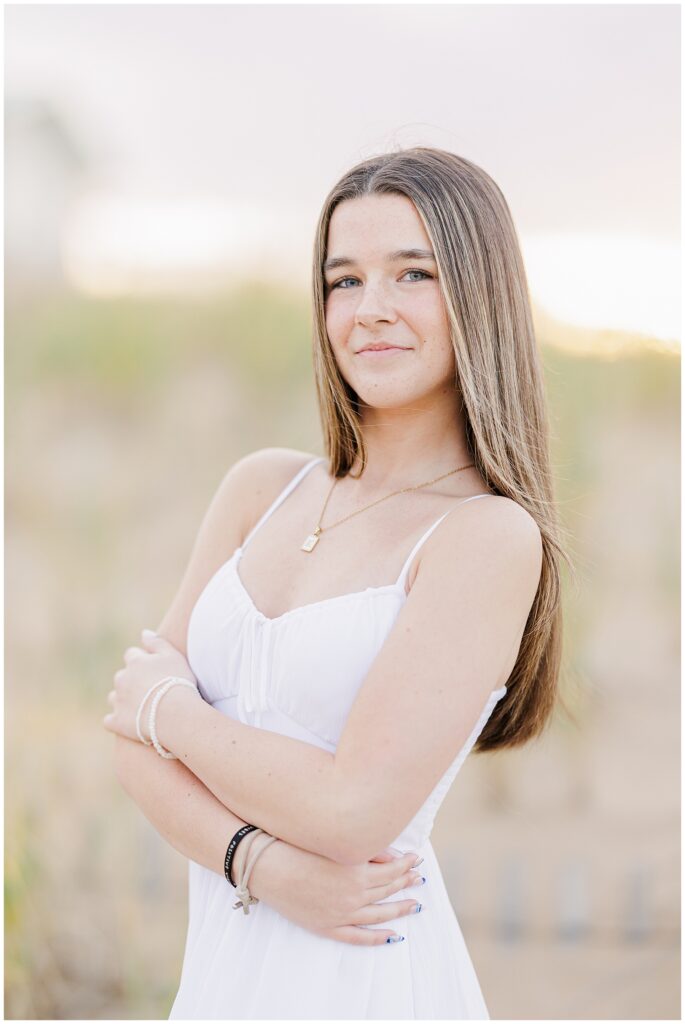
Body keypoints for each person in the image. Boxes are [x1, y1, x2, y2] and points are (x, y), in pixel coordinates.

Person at [104, 146, 572, 1019]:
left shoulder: (484, 535)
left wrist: (173, 715)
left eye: (412, 274)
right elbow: (127, 745)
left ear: (480, 294)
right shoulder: (260, 488)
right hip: (226, 964)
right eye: (343, 281)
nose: (371, 311)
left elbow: (351, 808)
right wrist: (265, 867)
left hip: (361, 971)